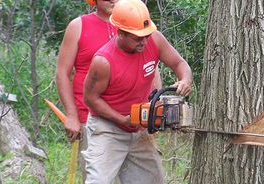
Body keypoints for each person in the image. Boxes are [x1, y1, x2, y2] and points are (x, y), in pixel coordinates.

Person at [82, 0, 192, 183]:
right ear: (121, 32)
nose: (144, 41)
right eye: (137, 37)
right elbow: (90, 99)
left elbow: (180, 63)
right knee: (98, 180)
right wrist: (122, 119)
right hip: (108, 128)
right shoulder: (103, 61)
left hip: (139, 129)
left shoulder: (154, 40)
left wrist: (185, 80)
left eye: (146, 35)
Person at [55, 0, 162, 180]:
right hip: (94, 119)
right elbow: (62, 73)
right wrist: (72, 115)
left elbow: (151, 70)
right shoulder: (79, 26)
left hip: (136, 121)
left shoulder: (138, 26)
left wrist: (153, 110)